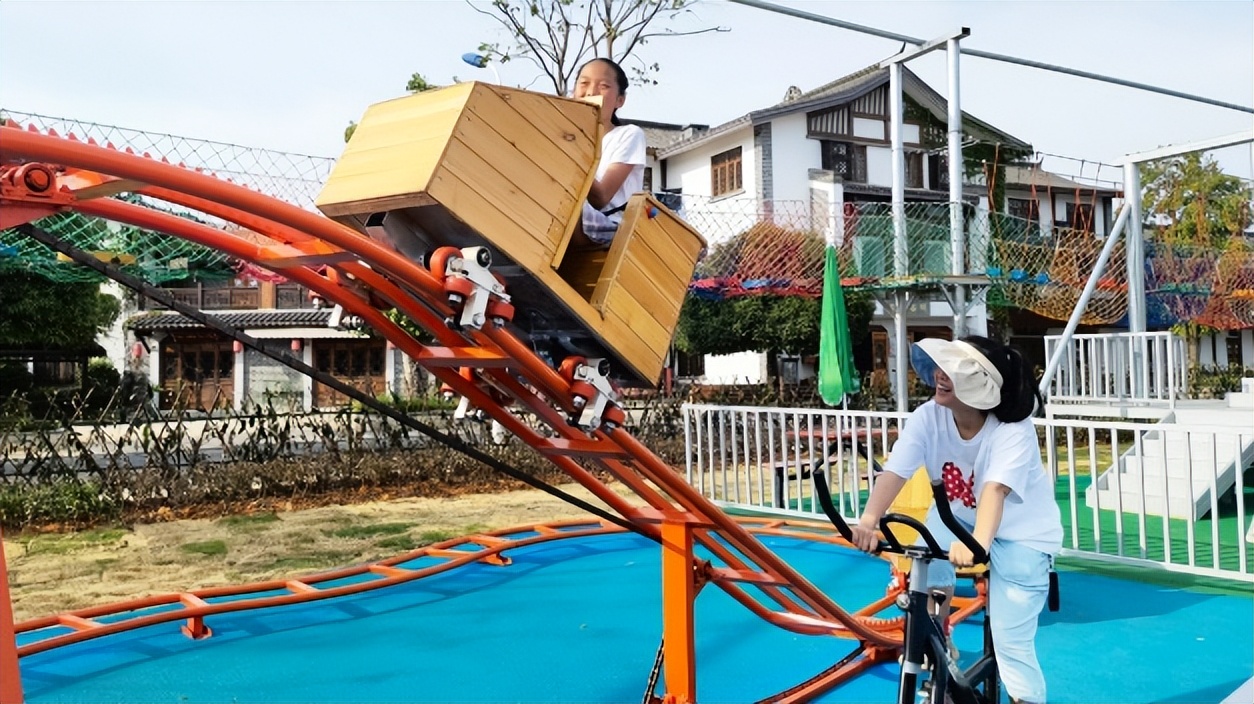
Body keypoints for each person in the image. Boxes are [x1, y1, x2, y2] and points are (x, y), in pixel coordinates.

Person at [849, 335, 1062, 704]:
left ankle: (1026, 698)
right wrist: (869, 520)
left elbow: (995, 490)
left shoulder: (1013, 430)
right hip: (959, 520)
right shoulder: (929, 417)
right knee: (923, 562)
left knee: (1011, 639)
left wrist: (978, 544)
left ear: (981, 387)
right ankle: (939, 638)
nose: (941, 376)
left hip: (1022, 533)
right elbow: (896, 471)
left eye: (955, 372)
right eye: (942, 368)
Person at [570, 57, 646, 247]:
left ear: (620, 100)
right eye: (584, 83)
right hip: (573, 217)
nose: (591, 91)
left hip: (610, 226)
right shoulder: (568, 136)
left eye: (603, 86)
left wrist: (568, 158)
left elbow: (601, 198)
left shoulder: (629, 135)